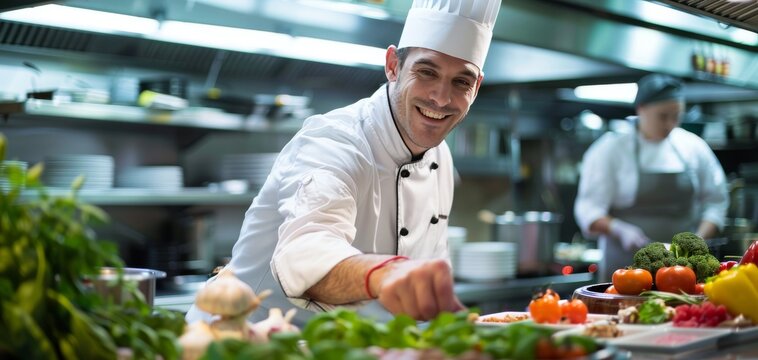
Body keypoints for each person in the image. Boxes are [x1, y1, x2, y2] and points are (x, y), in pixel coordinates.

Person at [186, 0, 501, 325]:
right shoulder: (334, 141)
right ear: (393, 65)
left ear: (476, 87)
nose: (440, 97)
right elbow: (304, 253)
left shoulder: (441, 159)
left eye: (461, 82)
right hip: (241, 340)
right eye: (426, 71)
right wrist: (386, 273)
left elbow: (425, 275)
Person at [574, 74, 729, 282]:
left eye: (677, 116)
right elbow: (588, 209)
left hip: (683, 271)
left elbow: (716, 201)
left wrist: (697, 240)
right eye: (663, 116)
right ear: (641, 109)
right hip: (624, 271)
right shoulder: (611, 149)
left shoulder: (693, 147)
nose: (670, 124)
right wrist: (620, 229)